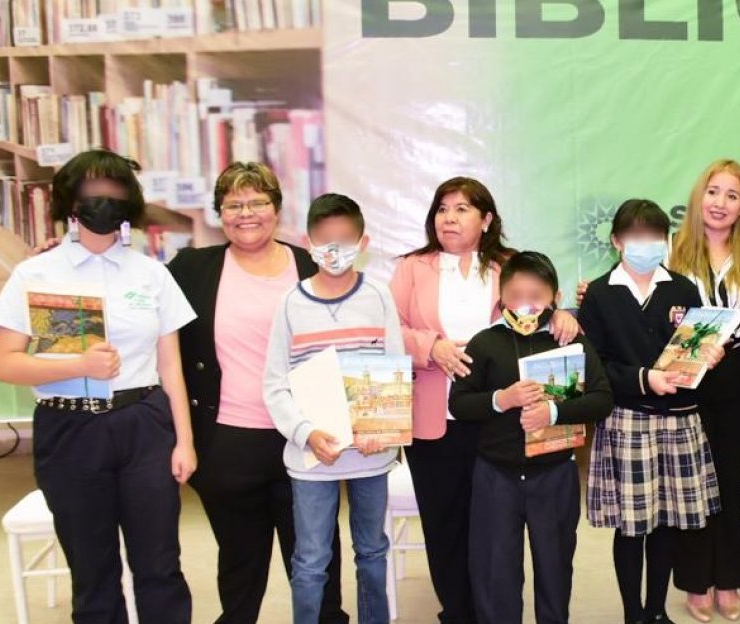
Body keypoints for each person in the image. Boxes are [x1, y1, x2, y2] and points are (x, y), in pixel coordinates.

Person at [0, 149, 196, 623]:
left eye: (115, 190)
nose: (103, 200)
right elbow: (7, 364)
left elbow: (172, 368)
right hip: (69, 429)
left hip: (144, 425)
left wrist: (184, 441)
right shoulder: (36, 273)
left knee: (160, 563)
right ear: (70, 201)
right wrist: (76, 364)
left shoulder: (151, 274)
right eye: (90, 191)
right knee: (92, 568)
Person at [389, 176, 579, 623]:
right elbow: (388, 330)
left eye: (461, 209)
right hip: (434, 418)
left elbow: (540, 303)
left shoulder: (508, 265)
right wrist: (430, 346)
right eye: (442, 209)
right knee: (444, 523)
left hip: (499, 417)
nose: (449, 218)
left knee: (496, 529)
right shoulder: (411, 268)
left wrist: (564, 314)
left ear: (486, 219)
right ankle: (458, 612)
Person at [169, 162, 347, 624]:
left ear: (277, 208)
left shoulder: (311, 265)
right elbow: (139, 303)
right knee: (240, 565)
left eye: (258, 202)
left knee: (316, 558)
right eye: (234, 204)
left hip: (305, 439)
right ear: (218, 213)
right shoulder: (191, 269)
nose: (246, 213)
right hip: (228, 440)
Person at [578, 199, 724, 624]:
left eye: (655, 237)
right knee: (632, 526)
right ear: (616, 242)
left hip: (680, 419)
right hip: (627, 419)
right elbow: (595, 366)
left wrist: (707, 358)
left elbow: (694, 347)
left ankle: (657, 610)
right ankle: (632, 614)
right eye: (636, 237)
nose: (647, 245)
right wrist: (644, 379)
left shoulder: (682, 289)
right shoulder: (600, 295)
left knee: (667, 523)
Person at [450, 251, 614, 624]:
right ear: (501, 298)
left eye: (537, 295)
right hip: (496, 475)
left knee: (555, 567)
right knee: (495, 570)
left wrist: (554, 412)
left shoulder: (569, 342)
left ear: (554, 298)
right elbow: (459, 404)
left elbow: (602, 399)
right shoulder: (484, 343)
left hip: (555, 473)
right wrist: (500, 399)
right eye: (516, 295)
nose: (526, 304)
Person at [263, 193, 403, 624]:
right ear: (308, 243)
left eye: (344, 240)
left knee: (373, 551)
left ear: (363, 243)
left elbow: (395, 372)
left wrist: (382, 430)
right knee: (309, 559)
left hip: (370, 453)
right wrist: (305, 432)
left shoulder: (378, 297)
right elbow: (274, 384)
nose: (334, 251)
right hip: (310, 458)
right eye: (325, 241)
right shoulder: (291, 303)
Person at [667, 159, 740, 622]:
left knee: (733, 478)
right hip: (685, 378)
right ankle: (694, 580)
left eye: (732, 195)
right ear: (698, 196)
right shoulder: (670, 253)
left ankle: (728, 577)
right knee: (691, 482)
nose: (720, 203)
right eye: (713, 191)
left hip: (737, 379)